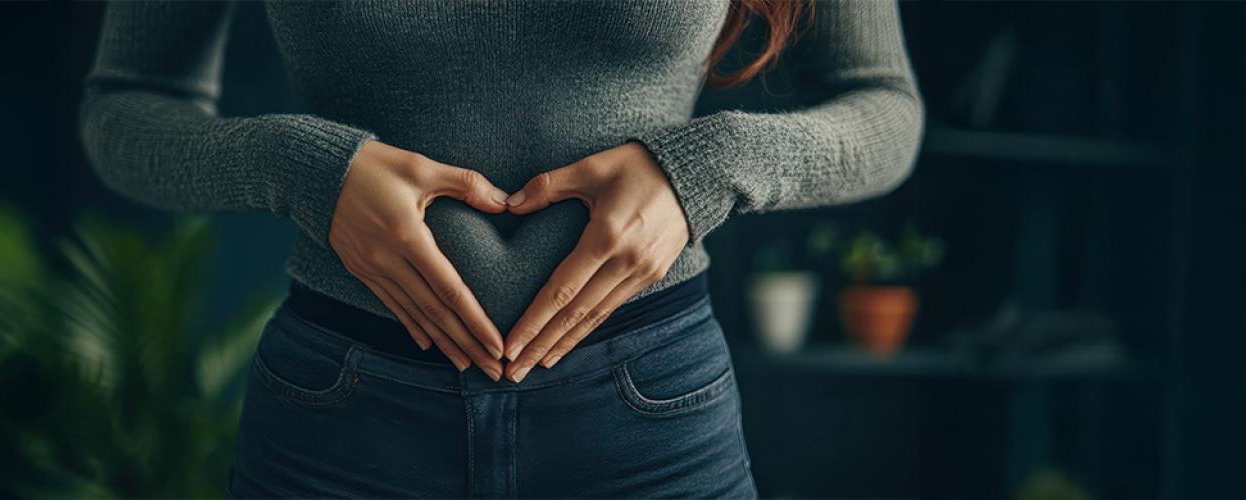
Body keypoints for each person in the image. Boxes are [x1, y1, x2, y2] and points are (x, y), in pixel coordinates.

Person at [80, 0, 923, 497]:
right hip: (345, 424)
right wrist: (296, 165)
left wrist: (711, 165)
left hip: (645, 423)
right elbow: (126, 106)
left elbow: (884, 106)